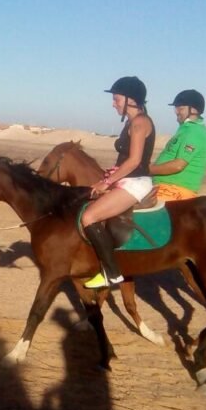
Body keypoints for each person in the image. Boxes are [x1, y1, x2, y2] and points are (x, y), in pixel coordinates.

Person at [81, 76, 156, 288]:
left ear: (130, 99)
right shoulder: (132, 122)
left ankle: (112, 273)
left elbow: (134, 161)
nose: (113, 103)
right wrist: (109, 176)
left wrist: (108, 182)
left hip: (136, 183)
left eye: (116, 99)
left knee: (89, 217)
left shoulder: (140, 123)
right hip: (126, 180)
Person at [150, 89, 206, 201]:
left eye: (180, 108)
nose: (176, 111)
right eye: (176, 108)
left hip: (174, 191)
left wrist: (147, 170)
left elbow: (178, 165)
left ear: (193, 110)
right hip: (165, 188)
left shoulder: (195, 132)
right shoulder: (186, 129)